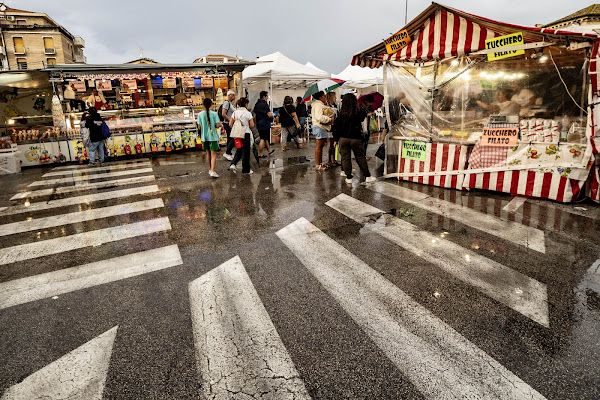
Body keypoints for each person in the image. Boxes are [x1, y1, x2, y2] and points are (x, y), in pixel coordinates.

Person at [332, 94, 376, 184]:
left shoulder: (340, 115)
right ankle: (367, 176)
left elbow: (335, 128)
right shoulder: (358, 113)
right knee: (360, 157)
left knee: (345, 158)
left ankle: (348, 177)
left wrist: (336, 140)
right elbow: (363, 115)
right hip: (356, 139)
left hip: (343, 139)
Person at [229, 97, 255, 175]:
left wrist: (237, 129)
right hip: (245, 133)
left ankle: (233, 164)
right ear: (246, 104)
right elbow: (252, 125)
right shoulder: (248, 113)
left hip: (237, 134)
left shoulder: (235, 113)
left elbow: (230, 124)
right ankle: (246, 170)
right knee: (246, 152)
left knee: (239, 150)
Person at [197, 98, 222, 178]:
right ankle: (212, 170)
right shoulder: (214, 114)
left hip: (204, 137)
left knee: (208, 153)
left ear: (203, 105)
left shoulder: (200, 114)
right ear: (211, 105)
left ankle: (210, 169)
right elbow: (217, 125)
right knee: (213, 154)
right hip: (213, 136)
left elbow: (199, 127)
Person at [311, 91, 333, 170]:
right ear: (320, 97)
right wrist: (329, 119)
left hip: (320, 127)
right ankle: (318, 165)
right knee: (319, 147)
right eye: (324, 96)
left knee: (320, 146)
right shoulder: (318, 105)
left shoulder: (318, 104)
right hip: (320, 126)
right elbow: (319, 117)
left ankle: (320, 163)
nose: (325, 98)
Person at [254, 91, 275, 158]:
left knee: (265, 137)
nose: (267, 98)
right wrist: (272, 116)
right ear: (264, 97)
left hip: (258, 122)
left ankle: (269, 150)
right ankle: (260, 153)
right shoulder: (264, 104)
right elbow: (269, 114)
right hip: (265, 123)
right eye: (267, 96)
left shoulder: (257, 103)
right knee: (263, 138)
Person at [221, 89, 237, 161]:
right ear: (229, 95)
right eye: (233, 95)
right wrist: (230, 120)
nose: (234, 96)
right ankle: (227, 152)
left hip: (230, 123)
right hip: (228, 123)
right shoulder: (227, 103)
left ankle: (229, 152)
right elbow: (223, 114)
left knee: (230, 138)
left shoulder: (230, 103)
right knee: (232, 138)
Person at [326, 92, 338, 165]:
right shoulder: (327, 106)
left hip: (335, 126)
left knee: (334, 144)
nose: (336, 98)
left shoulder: (334, 105)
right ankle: (330, 159)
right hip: (330, 127)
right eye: (335, 97)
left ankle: (334, 159)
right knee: (331, 144)